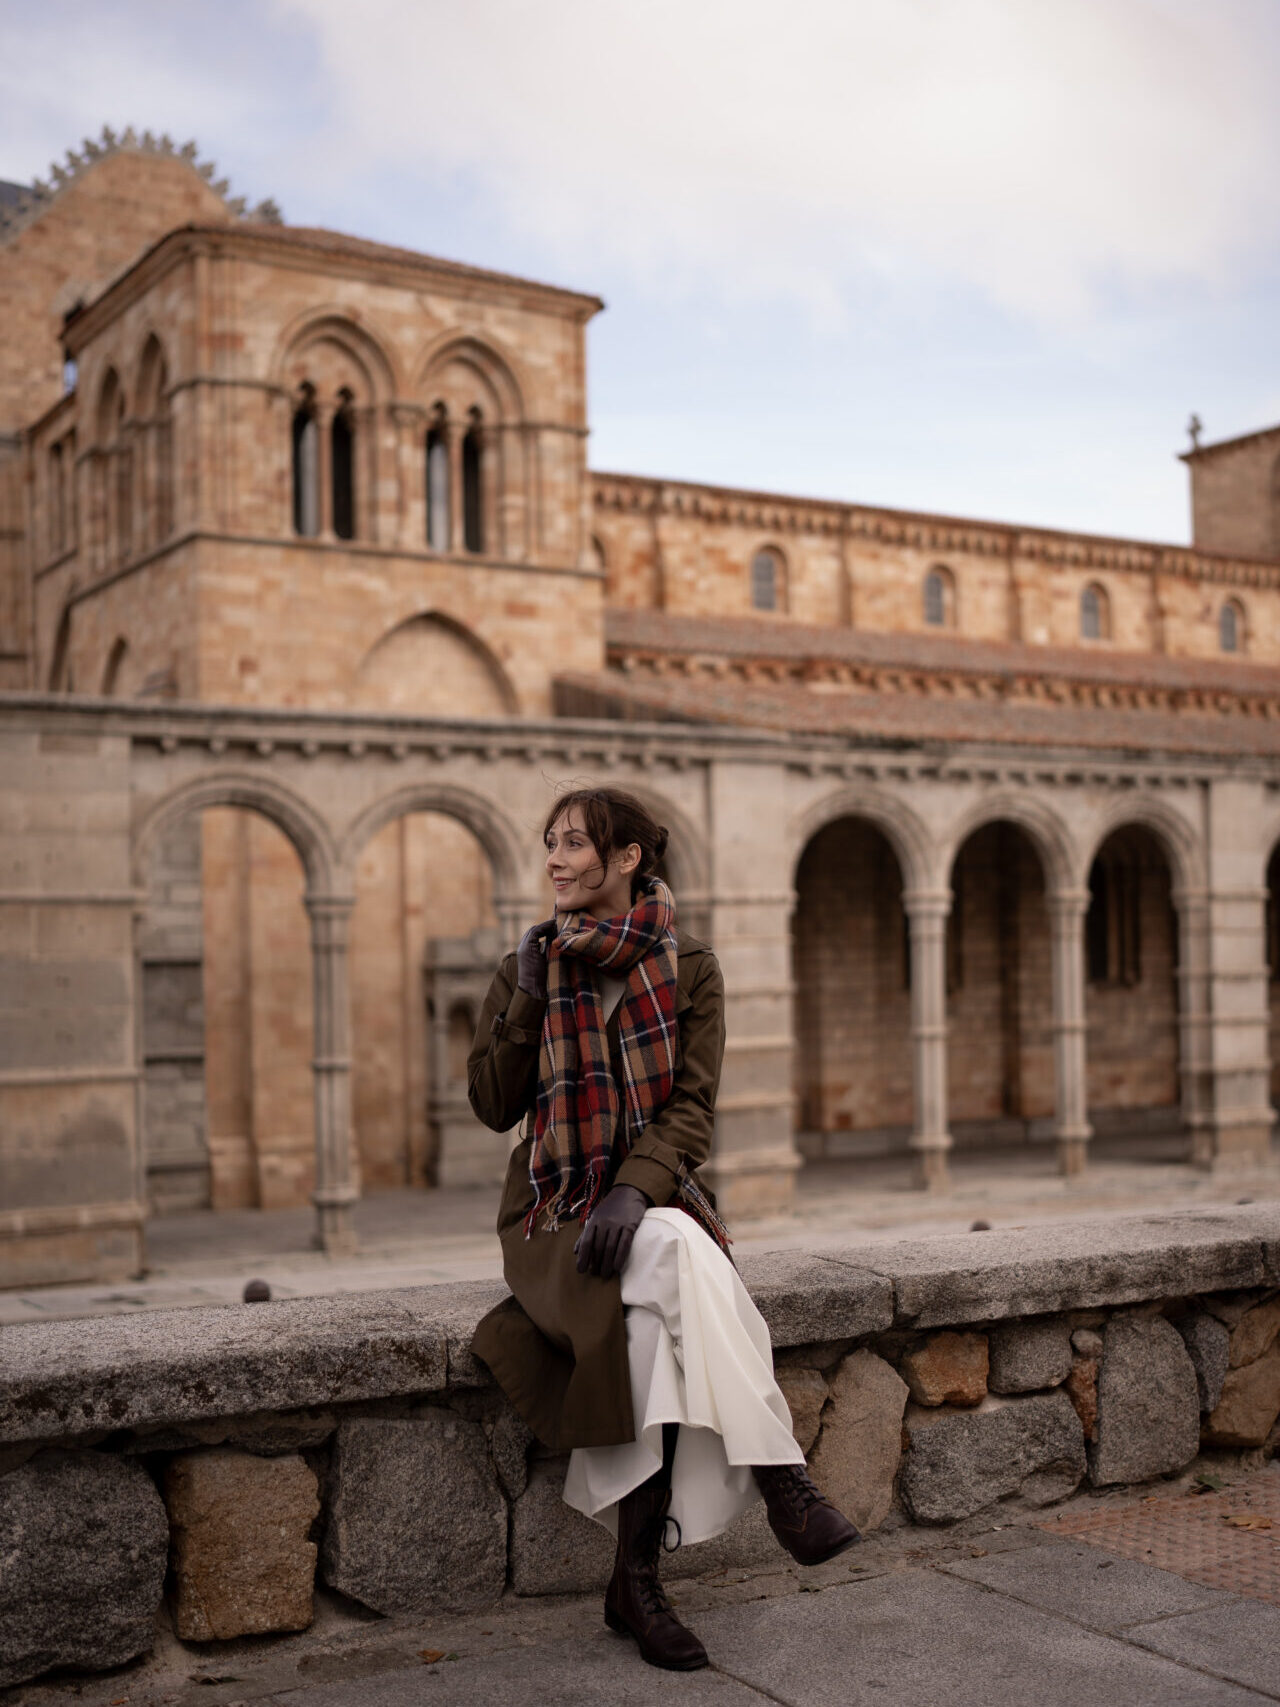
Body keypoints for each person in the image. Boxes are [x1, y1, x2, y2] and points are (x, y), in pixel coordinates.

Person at [468, 787, 859, 1671]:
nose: (557, 859)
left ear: (630, 858)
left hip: (639, 1213)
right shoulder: (525, 965)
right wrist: (526, 1001)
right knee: (687, 1249)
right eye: (550, 844)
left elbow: (690, 1112)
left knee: (651, 1326)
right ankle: (782, 1479)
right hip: (554, 1218)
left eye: (576, 844)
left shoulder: (691, 970)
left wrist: (634, 1193)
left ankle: (634, 1582)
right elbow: (494, 1105)